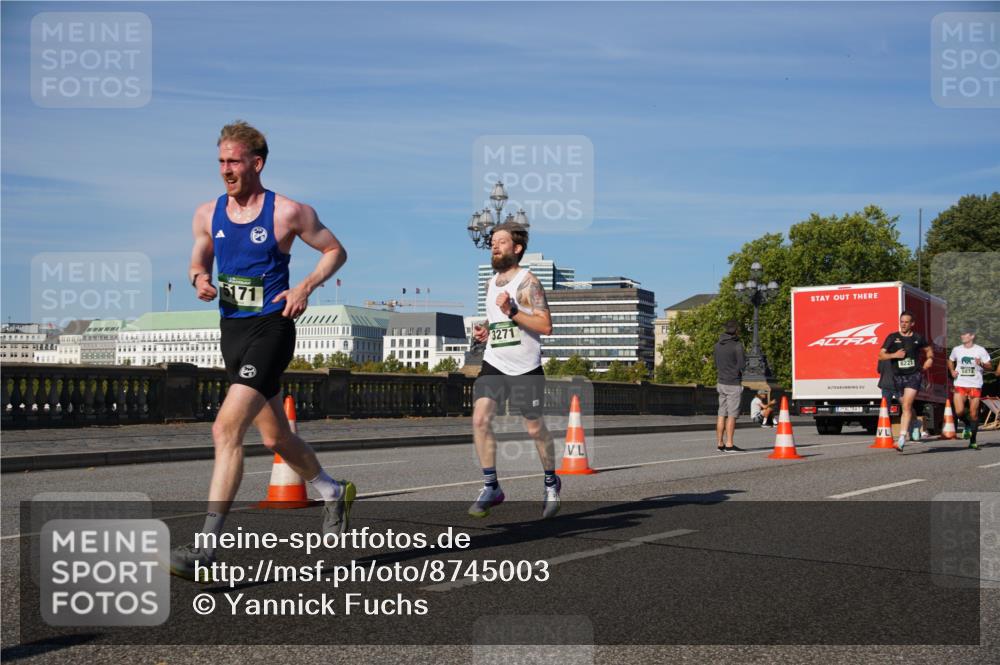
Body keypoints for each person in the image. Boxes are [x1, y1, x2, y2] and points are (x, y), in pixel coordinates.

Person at [171, 121, 353, 581]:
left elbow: (335, 251)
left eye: (233, 161)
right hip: (232, 331)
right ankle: (332, 492)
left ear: (257, 163)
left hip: (272, 328)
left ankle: (205, 551)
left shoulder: (288, 212)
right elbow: (198, 256)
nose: (225, 170)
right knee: (276, 439)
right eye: (220, 162)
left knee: (225, 429)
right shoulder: (206, 213)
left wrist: (305, 286)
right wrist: (199, 278)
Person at [469, 222, 559, 519]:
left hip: (525, 367)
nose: (494, 246)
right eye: (493, 242)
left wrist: (513, 311)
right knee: (480, 419)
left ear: (517, 248)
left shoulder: (527, 282)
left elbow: (545, 326)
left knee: (534, 428)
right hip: (494, 362)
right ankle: (491, 486)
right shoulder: (490, 283)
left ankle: (551, 481)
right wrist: (486, 331)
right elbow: (499, 323)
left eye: (502, 242)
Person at [877, 310, 933, 451]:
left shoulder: (918, 338)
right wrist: (894, 355)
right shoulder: (892, 337)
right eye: (901, 322)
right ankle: (915, 423)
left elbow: (928, 350)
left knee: (906, 405)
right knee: (905, 405)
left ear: (912, 324)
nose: (903, 324)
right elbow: (881, 355)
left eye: (906, 322)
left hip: (913, 375)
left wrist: (930, 359)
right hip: (898, 377)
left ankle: (901, 438)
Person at [948, 327, 993, 450]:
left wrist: (981, 364)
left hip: (975, 385)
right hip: (960, 383)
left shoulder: (980, 350)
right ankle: (967, 425)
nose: (962, 336)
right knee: (959, 412)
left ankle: (973, 440)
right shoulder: (956, 349)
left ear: (972, 336)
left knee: (974, 414)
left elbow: (990, 366)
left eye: (965, 334)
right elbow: (950, 360)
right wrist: (952, 371)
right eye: (961, 334)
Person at [714, 320, 746, 452]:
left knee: (721, 413)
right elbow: (742, 365)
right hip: (733, 383)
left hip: (721, 382)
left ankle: (720, 443)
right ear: (736, 330)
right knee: (732, 415)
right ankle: (729, 444)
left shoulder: (717, 345)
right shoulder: (737, 346)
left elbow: (716, 363)